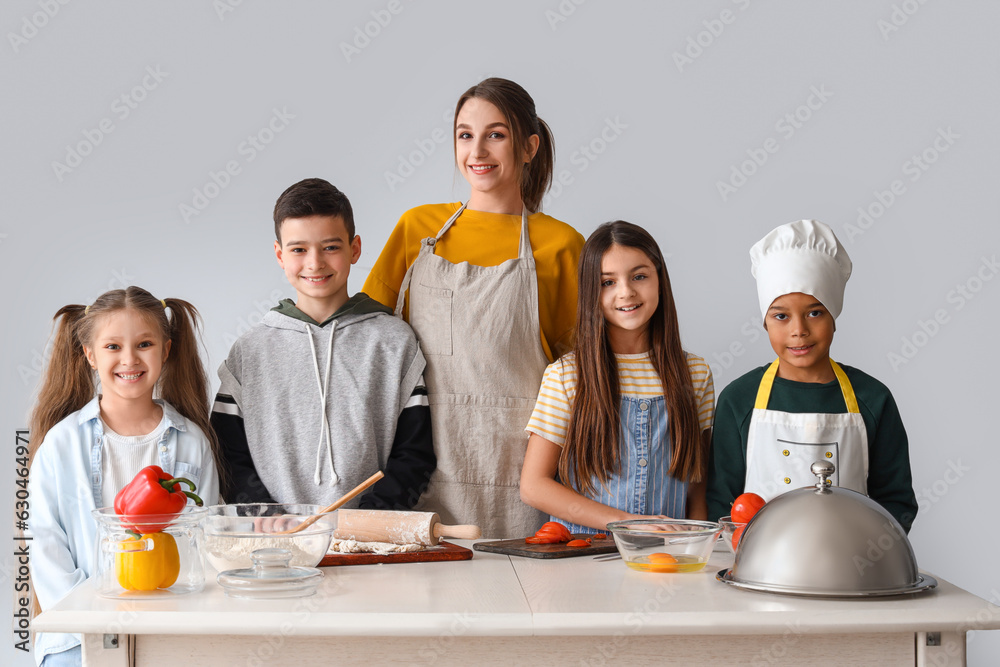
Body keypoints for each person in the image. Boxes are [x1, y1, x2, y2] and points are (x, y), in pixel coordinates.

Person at [363, 78, 585, 537]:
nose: (477, 150)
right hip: (421, 460)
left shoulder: (563, 244)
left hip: (519, 468)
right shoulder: (417, 228)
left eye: (496, 134)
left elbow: (581, 372)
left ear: (529, 146)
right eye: (465, 135)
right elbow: (366, 339)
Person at [212, 178, 434, 510]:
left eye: (330, 247)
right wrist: (265, 514)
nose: (315, 263)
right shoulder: (250, 351)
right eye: (299, 249)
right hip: (275, 540)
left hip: (368, 540)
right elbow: (228, 453)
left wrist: (369, 518)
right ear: (279, 255)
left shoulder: (393, 341)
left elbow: (415, 452)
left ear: (354, 248)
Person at [27, 287, 220, 667]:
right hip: (76, 637)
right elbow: (44, 541)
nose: (129, 359)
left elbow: (206, 536)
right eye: (113, 346)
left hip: (172, 628)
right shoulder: (61, 443)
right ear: (90, 355)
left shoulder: (192, 442)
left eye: (144, 344)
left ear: (165, 350)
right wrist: (92, 621)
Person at [706, 220, 918, 532]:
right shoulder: (739, 399)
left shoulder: (873, 399)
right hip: (758, 569)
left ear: (834, 316)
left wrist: (869, 554)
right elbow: (720, 503)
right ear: (765, 323)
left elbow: (896, 502)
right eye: (781, 316)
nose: (799, 330)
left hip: (850, 569)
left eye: (815, 312)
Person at [520, 221, 715, 532]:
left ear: (660, 281)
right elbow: (533, 485)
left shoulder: (695, 374)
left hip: (664, 557)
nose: (626, 292)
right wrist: (629, 524)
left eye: (639, 276)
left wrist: (694, 545)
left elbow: (696, 486)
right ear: (590, 292)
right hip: (580, 556)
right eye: (607, 282)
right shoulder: (567, 376)